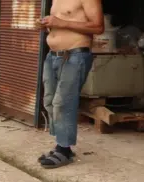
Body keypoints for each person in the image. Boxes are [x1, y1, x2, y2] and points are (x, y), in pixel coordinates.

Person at [36, 0, 104, 168]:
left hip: (75, 55)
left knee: (63, 103)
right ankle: (60, 143)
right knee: (50, 101)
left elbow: (98, 27)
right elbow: (61, 25)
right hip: (53, 55)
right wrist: (45, 25)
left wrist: (61, 22)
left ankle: (64, 150)